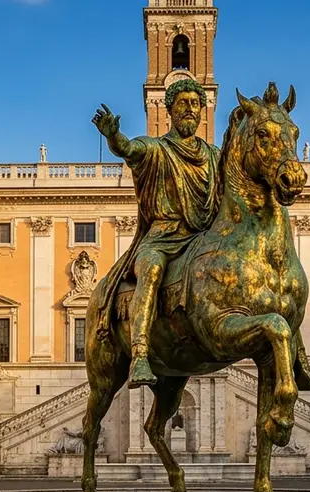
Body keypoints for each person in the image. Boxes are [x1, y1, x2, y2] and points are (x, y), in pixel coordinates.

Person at [91, 78, 220, 388]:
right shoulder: (156, 149)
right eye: (183, 104)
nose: (190, 109)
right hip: (162, 238)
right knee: (150, 269)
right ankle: (140, 354)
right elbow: (129, 148)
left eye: (195, 104)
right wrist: (113, 136)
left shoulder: (215, 156)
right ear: (169, 109)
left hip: (202, 240)